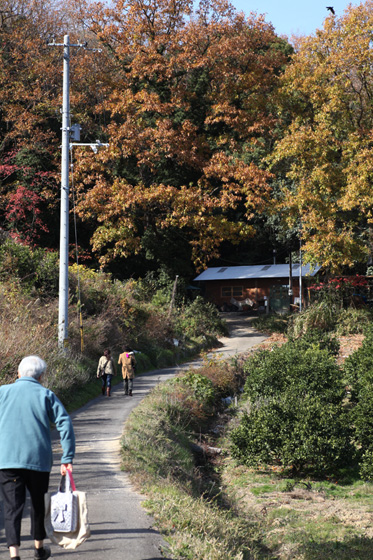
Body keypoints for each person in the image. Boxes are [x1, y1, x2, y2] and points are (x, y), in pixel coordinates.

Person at [0, 355, 75, 560]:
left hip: (7, 461)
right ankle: (39, 549)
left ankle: (14, 554)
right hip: (38, 461)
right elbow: (65, 423)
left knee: (12, 508)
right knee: (38, 504)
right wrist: (66, 458)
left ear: (18, 373)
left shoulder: (2, 392)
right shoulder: (46, 395)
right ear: (42, 376)